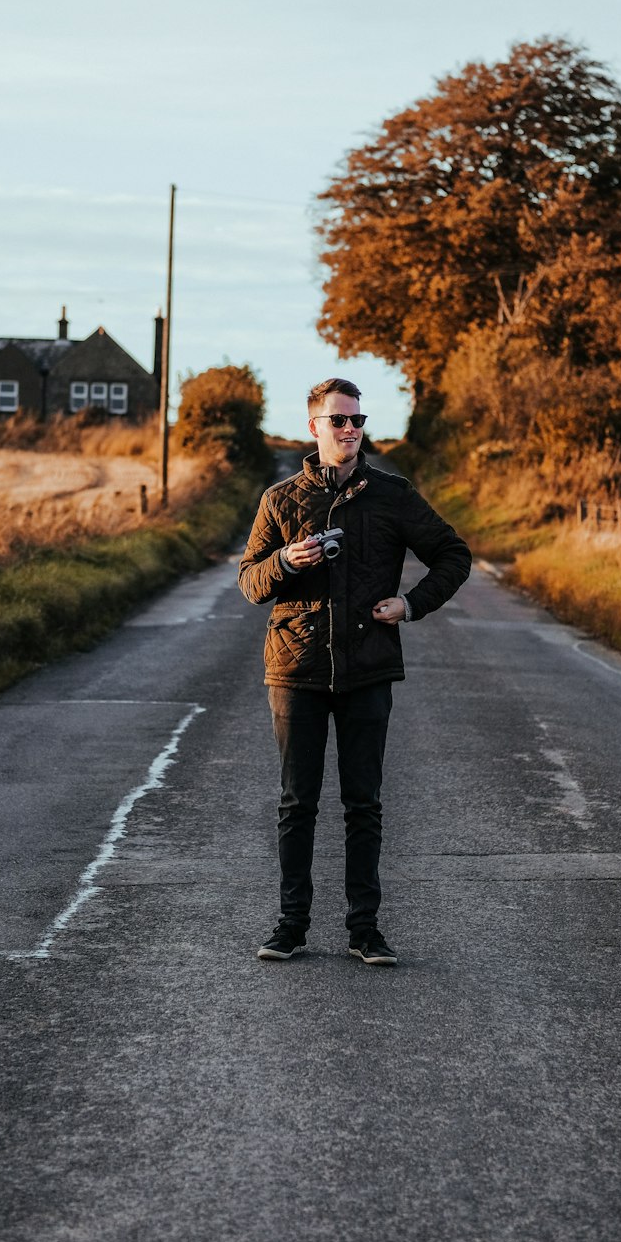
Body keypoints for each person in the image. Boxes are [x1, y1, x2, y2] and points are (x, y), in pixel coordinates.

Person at [238, 377, 472, 966]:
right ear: (313, 426)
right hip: (296, 668)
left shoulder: (392, 494)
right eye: (338, 420)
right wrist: (285, 561)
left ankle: (364, 930)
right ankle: (290, 926)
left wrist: (411, 604)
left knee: (363, 804)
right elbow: (249, 583)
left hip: (368, 667)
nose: (350, 430)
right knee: (297, 803)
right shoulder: (281, 499)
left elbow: (453, 555)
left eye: (357, 420)